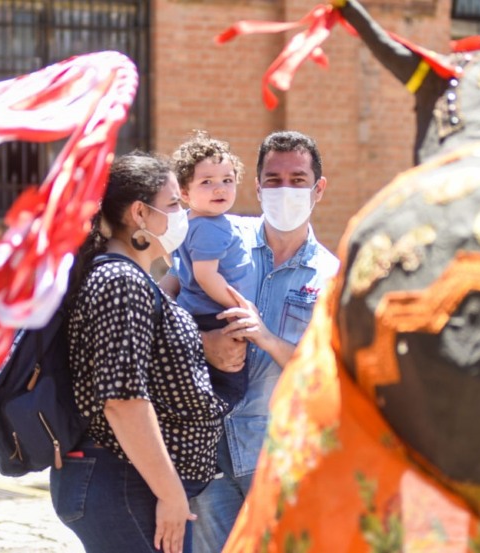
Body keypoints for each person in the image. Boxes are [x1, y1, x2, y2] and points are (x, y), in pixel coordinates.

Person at [49, 153, 244, 553]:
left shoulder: (133, 277)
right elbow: (122, 401)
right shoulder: (121, 280)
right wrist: (171, 494)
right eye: (173, 204)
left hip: (133, 481)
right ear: (140, 213)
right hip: (126, 482)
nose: (183, 213)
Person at [172, 131, 340, 553]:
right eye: (274, 179)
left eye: (298, 180)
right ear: (258, 187)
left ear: (318, 189)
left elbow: (327, 372)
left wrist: (264, 338)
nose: (286, 190)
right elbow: (167, 304)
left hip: (276, 458)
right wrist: (204, 339)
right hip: (205, 448)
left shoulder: (332, 277)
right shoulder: (222, 236)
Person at [166, 132, 257, 337]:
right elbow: (206, 276)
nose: (220, 189)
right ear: (185, 193)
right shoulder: (211, 226)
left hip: (198, 313)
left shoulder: (186, 220)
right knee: (232, 367)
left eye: (227, 180)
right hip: (216, 316)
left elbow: (173, 259)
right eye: (207, 182)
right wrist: (240, 306)